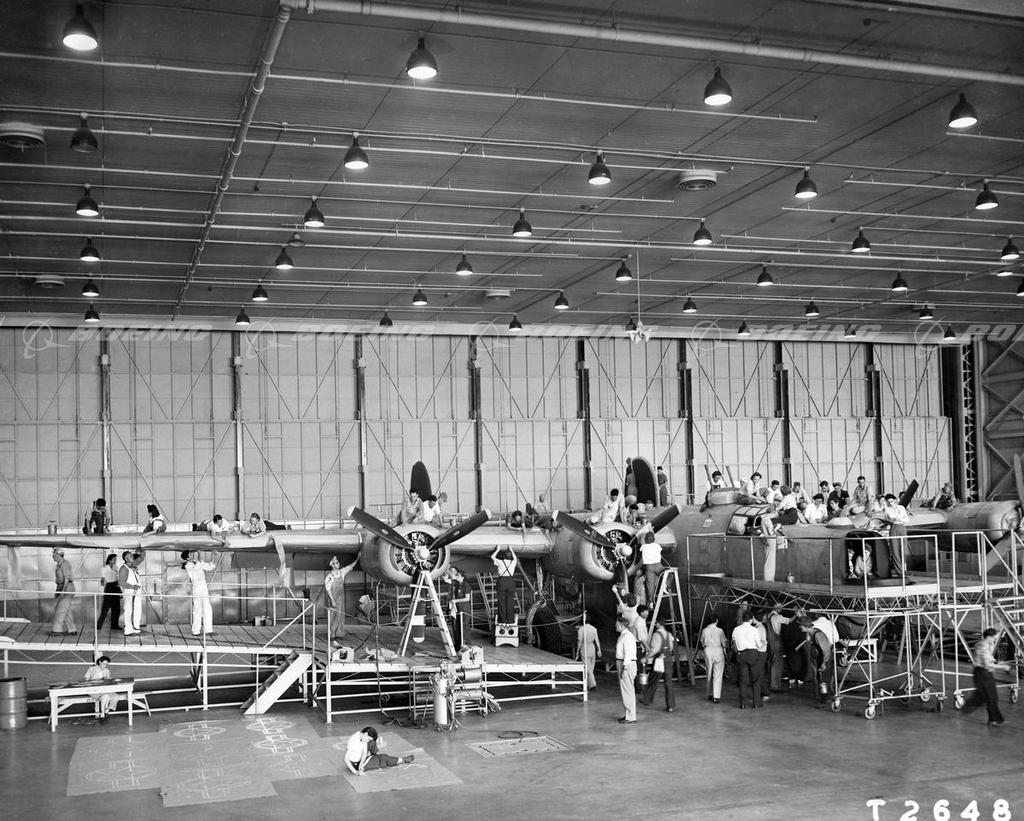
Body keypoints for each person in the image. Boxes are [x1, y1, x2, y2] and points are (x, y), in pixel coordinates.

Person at [963, 628, 1010, 726]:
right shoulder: (982, 646)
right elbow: (986, 664)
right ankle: (994, 719)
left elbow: (989, 660)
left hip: (986, 672)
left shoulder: (986, 645)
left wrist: (998, 663)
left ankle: (993, 719)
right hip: (982, 673)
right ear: (988, 637)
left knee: (991, 696)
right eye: (994, 638)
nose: (995, 640)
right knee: (990, 696)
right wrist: (1003, 667)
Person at [344, 727, 414, 775]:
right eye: (368, 738)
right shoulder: (353, 741)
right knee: (382, 758)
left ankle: (375, 750)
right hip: (355, 764)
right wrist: (355, 771)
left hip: (360, 759)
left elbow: (364, 752)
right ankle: (402, 760)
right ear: (365, 734)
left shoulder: (361, 735)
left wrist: (361, 764)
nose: (367, 740)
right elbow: (346, 759)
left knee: (372, 742)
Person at [640, 618, 675, 712]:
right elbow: (671, 647)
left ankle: (647, 700)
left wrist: (646, 657)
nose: (655, 625)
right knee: (668, 683)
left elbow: (655, 650)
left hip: (659, 660)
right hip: (668, 659)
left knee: (653, 680)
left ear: (659, 624)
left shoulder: (656, 635)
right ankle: (670, 706)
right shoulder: (669, 634)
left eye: (656, 623)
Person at [181, 550, 217, 636]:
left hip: (204, 588)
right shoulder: (188, 565)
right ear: (187, 558)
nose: (192, 555)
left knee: (207, 608)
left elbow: (210, 567)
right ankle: (196, 631)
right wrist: (200, 554)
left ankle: (208, 630)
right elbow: (199, 566)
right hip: (197, 588)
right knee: (197, 610)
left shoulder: (196, 562)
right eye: (190, 554)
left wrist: (213, 557)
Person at [732, 610, 763, 709]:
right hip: (752, 654)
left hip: (741, 654)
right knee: (756, 679)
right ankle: (756, 703)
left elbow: (734, 643)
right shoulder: (754, 630)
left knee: (743, 680)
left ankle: (743, 704)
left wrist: (738, 652)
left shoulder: (736, 629)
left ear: (742, 619)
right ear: (751, 619)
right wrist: (764, 643)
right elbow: (759, 645)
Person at [325, 554, 360, 637]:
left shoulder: (341, 572)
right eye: (336, 563)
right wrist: (332, 600)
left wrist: (358, 558)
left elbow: (350, 566)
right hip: (333, 597)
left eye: (338, 562)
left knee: (340, 614)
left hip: (340, 597)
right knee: (333, 615)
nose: (338, 564)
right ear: (332, 565)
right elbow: (328, 589)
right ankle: (332, 633)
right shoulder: (329, 576)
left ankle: (339, 632)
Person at [879, 493, 909, 577]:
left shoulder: (901, 507)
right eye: (889, 502)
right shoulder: (888, 509)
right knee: (895, 550)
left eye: (891, 501)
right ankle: (899, 571)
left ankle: (904, 568)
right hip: (894, 527)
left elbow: (906, 518)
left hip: (902, 527)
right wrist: (886, 507)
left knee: (903, 548)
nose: (890, 503)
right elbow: (892, 517)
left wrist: (901, 519)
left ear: (895, 500)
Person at [614, 617, 638, 724]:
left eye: (616, 624)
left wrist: (624, 668)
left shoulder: (627, 637)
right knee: (627, 690)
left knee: (627, 690)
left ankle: (631, 716)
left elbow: (628, 653)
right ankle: (628, 714)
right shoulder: (624, 635)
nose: (615, 626)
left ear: (621, 625)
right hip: (623, 663)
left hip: (626, 664)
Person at [700, 613, 727, 703]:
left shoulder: (704, 630)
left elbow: (702, 642)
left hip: (708, 650)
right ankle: (716, 696)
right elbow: (724, 643)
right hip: (718, 650)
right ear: (716, 621)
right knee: (718, 673)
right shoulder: (720, 631)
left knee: (708, 672)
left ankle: (708, 694)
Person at [50, 548, 77, 635]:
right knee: (66, 610)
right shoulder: (59, 564)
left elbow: (66, 579)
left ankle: (56, 630)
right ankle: (72, 630)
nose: (52, 557)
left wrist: (63, 591)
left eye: (54, 555)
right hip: (62, 587)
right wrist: (58, 591)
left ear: (59, 555)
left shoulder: (65, 564)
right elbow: (60, 580)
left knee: (60, 610)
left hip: (67, 588)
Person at [83, 655, 119, 721]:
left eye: (106, 664)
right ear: (100, 662)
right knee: (105, 696)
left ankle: (107, 710)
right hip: (94, 690)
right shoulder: (92, 669)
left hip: (104, 690)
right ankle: (102, 714)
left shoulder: (107, 670)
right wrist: (94, 681)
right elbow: (85, 680)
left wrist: (108, 679)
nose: (105, 666)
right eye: (104, 664)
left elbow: (109, 680)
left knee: (116, 696)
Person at [444, 567, 471, 650]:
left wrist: (456, 600)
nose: (457, 577)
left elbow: (467, 598)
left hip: (464, 608)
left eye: (458, 575)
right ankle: (459, 644)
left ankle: (467, 644)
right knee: (458, 627)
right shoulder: (457, 584)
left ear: (462, 577)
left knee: (465, 627)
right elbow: (446, 579)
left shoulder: (466, 585)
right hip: (458, 608)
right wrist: (446, 570)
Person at [118, 549, 145, 635]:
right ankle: (128, 630)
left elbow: (142, 557)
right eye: (130, 556)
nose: (132, 556)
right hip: (129, 592)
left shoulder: (133, 564)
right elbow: (122, 583)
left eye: (132, 555)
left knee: (137, 608)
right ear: (126, 559)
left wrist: (142, 549)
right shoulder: (123, 569)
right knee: (128, 610)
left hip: (136, 591)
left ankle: (136, 627)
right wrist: (133, 586)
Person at [575, 611, 601, 691]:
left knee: (587, 668)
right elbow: (597, 639)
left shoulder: (581, 630)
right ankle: (587, 684)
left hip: (584, 648)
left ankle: (592, 684)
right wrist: (599, 649)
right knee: (591, 667)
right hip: (592, 647)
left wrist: (577, 651)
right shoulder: (593, 628)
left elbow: (579, 641)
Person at [491, 547, 517, 625]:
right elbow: (515, 557)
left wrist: (497, 549)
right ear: (511, 556)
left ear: (504, 556)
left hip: (502, 581)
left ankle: (502, 620)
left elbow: (492, 556)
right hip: (510, 581)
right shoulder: (513, 562)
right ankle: (510, 620)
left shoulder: (500, 562)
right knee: (510, 601)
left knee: (501, 600)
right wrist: (512, 549)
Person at [96, 553, 121, 632]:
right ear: (110, 560)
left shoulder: (116, 567)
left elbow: (117, 578)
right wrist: (102, 585)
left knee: (116, 607)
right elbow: (102, 579)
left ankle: (115, 625)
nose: (115, 560)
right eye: (114, 559)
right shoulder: (105, 567)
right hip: (109, 586)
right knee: (105, 607)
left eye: (116, 559)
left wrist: (120, 590)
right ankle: (99, 625)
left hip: (115, 586)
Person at [640, 531, 663, 603]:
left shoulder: (643, 547)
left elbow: (640, 550)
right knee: (669, 575)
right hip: (658, 566)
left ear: (645, 539)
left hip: (648, 567)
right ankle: (666, 586)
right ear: (654, 539)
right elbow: (660, 551)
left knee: (650, 586)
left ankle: (651, 602)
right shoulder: (657, 546)